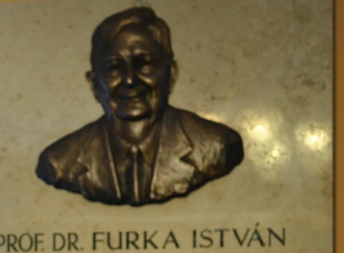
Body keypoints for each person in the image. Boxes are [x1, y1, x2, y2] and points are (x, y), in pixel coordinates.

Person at [36, 7, 244, 205]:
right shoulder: (58, 162)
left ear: (171, 74)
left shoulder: (217, 145)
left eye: (144, 64)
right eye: (114, 67)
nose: (130, 80)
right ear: (94, 84)